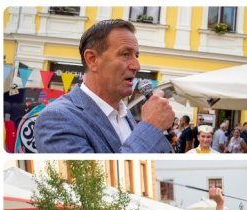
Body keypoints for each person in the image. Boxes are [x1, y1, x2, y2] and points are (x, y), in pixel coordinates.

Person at [35, 19, 174, 153]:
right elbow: (95, 176)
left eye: (136, 55)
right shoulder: (57, 118)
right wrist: (150, 127)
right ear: (92, 59)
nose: (136, 66)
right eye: (125, 54)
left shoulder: (125, 113)